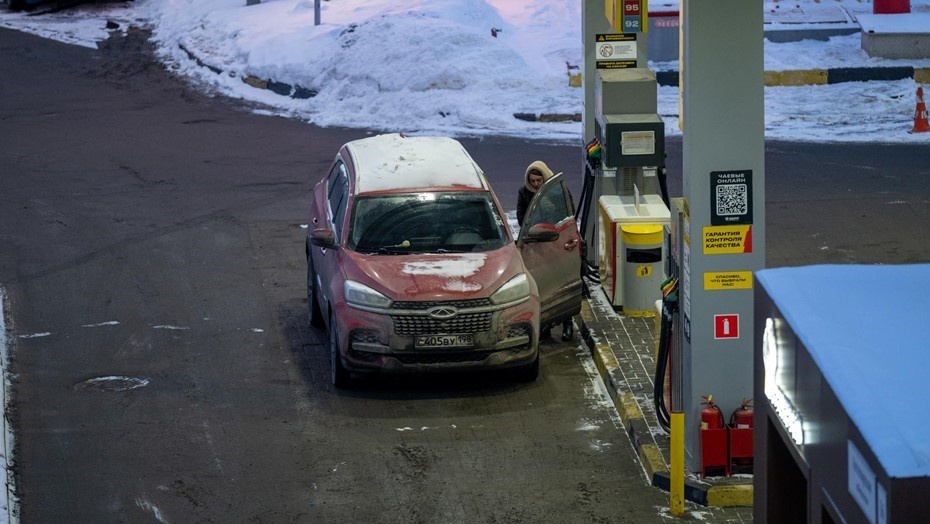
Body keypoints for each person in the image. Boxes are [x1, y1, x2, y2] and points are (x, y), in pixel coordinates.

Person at [516, 160, 554, 227]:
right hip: (533, 231)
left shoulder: (556, 189)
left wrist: (553, 209)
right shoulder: (524, 193)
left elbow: (568, 212)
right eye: (532, 181)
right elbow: (521, 218)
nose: (535, 184)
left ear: (544, 177)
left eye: (539, 180)